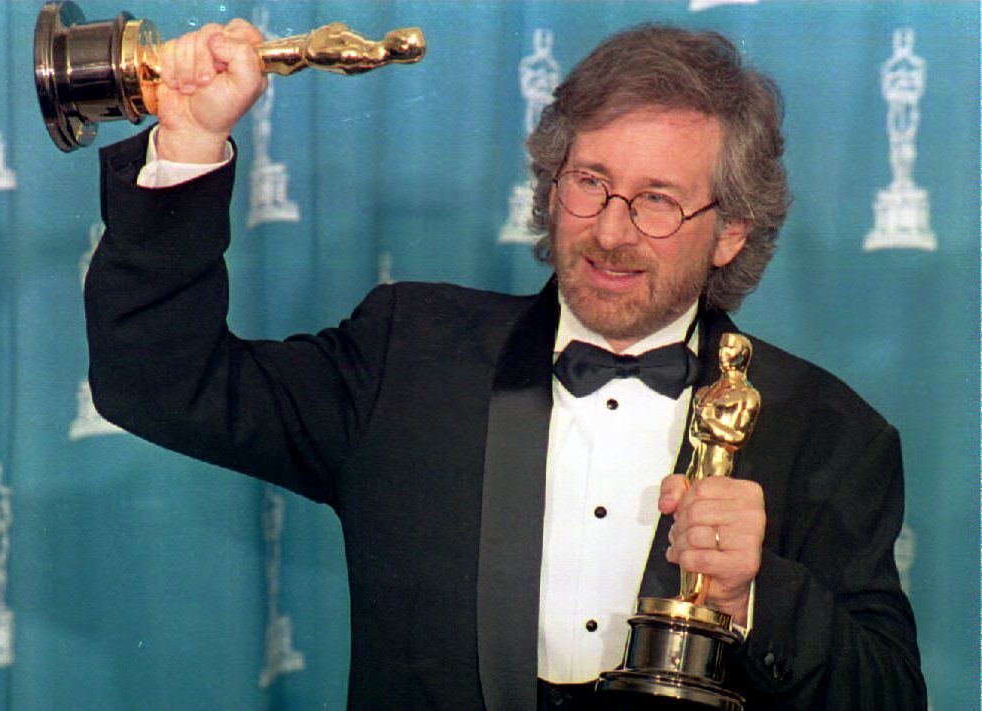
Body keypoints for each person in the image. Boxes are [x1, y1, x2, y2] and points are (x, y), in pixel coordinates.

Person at [84, 19, 926, 710]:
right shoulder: (407, 354)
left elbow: (888, 695)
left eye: (658, 201)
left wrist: (756, 596)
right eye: (589, 181)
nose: (610, 230)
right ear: (550, 184)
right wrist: (190, 140)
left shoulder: (830, 434)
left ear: (730, 232)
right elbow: (162, 385)